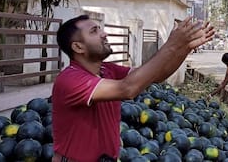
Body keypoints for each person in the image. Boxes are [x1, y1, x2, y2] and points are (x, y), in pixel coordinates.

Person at [51, 15, 214, 162]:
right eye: (94, 31)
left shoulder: (107, 70)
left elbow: (156, 75)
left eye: (100, 28)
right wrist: (171, 45)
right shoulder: (69, 79)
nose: (104, 33)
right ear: (78, 47)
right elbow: (128, 89)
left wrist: (185, 48)